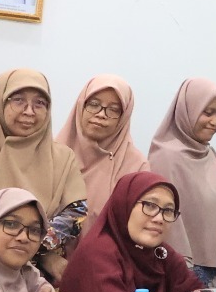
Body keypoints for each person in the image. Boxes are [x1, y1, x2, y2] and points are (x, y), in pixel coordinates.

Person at [0, 68, 87, 282]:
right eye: (18, 100)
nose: (29, 111)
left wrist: (36, 248)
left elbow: (76, 211)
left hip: (45, 277)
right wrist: (41, 254)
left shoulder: (62, 157)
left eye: (40, 103)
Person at [59, 172, 213, 292]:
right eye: (150, 205)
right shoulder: (98, 252)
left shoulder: (161, 253)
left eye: (168, 210)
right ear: (124, 205)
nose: (159, 218)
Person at [151, 78, 216, 286]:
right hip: (181, 270)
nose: (215, 122)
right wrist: (185, 271)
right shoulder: (166, 157)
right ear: (188, 110)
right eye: (208, 112)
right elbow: (164, 220)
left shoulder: (211, 155)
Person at [56, 75, 150, 215]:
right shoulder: (52, 155)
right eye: (94, 104)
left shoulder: (136, 166)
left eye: (113, 109)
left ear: (123, 117)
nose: (101, 114)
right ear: (81, 106)